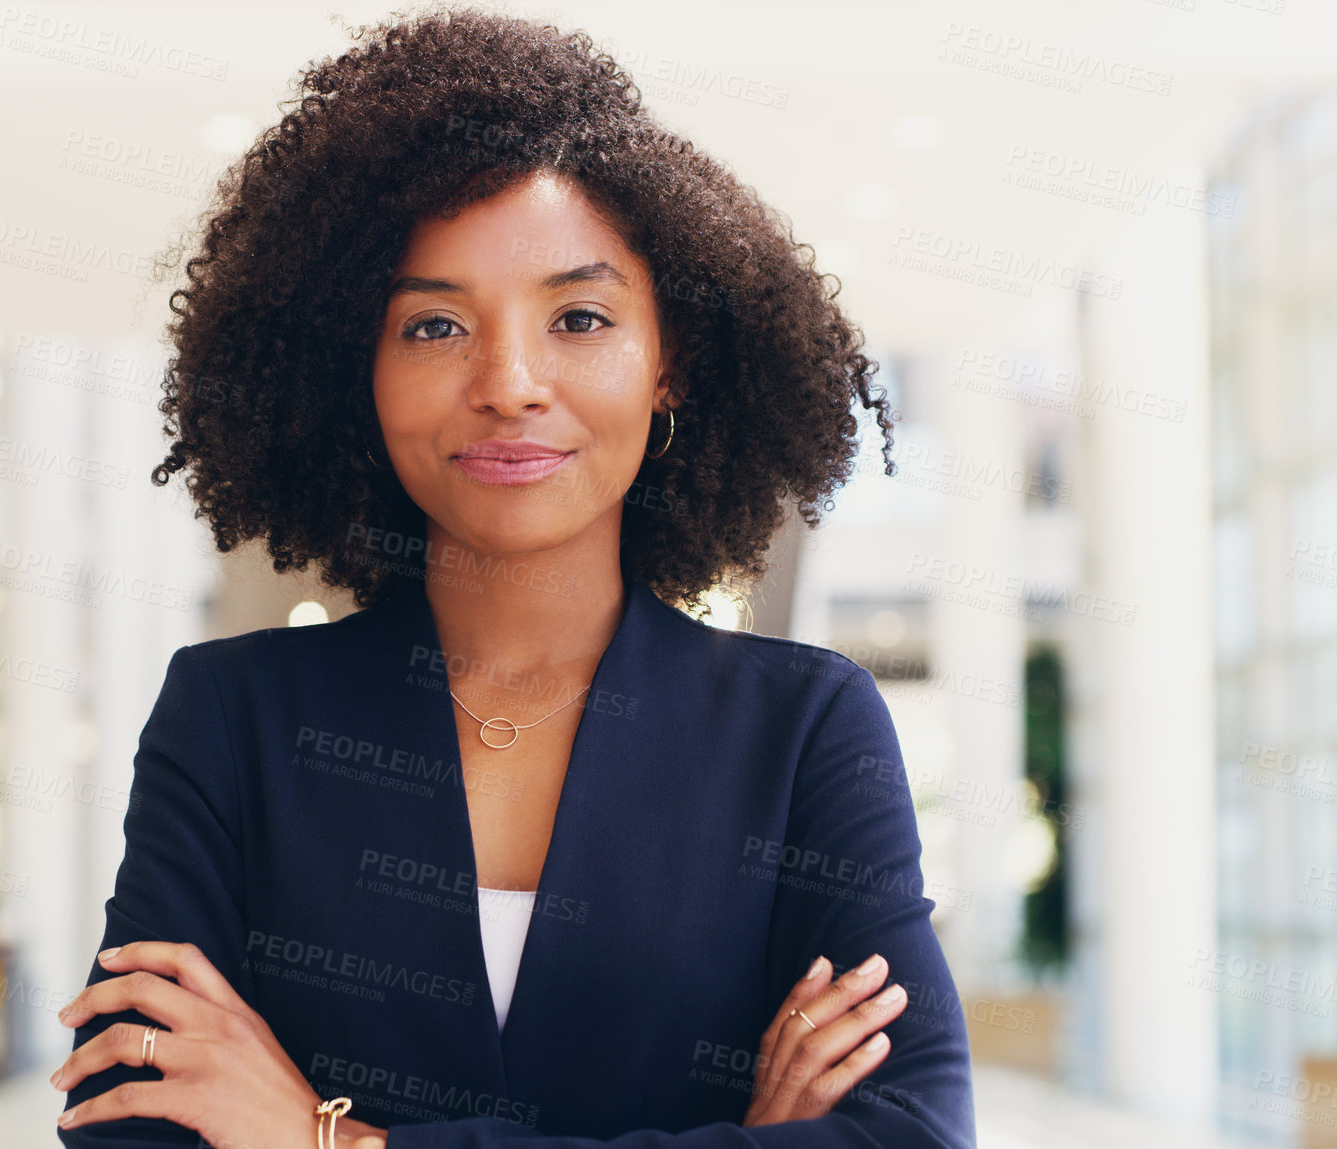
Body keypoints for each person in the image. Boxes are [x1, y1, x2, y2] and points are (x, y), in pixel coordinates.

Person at [50, 7, 975, 1147]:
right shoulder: (234, 718)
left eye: (578, 317)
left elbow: (910, 1135)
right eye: (434, 326)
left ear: (669, 363)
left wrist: (329, 1139)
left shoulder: (801, 729)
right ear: (359, 368)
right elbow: (131, 1118)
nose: (510, 382)